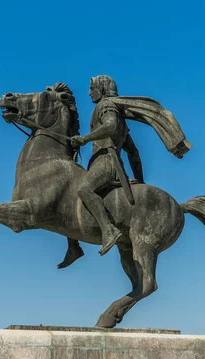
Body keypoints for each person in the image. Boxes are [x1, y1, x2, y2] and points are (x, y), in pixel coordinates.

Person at [71, 75, 144, 256]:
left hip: (106, 162)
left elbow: (110, 126)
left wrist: (85, 139)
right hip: (111, 163)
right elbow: (133, 153)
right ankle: (73, 247)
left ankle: (109, 230)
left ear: (101, 89)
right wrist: (141, 181)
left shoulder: (105, 106)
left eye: (91, 88)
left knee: (84, 190)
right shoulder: (122, 121)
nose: (89, 93)